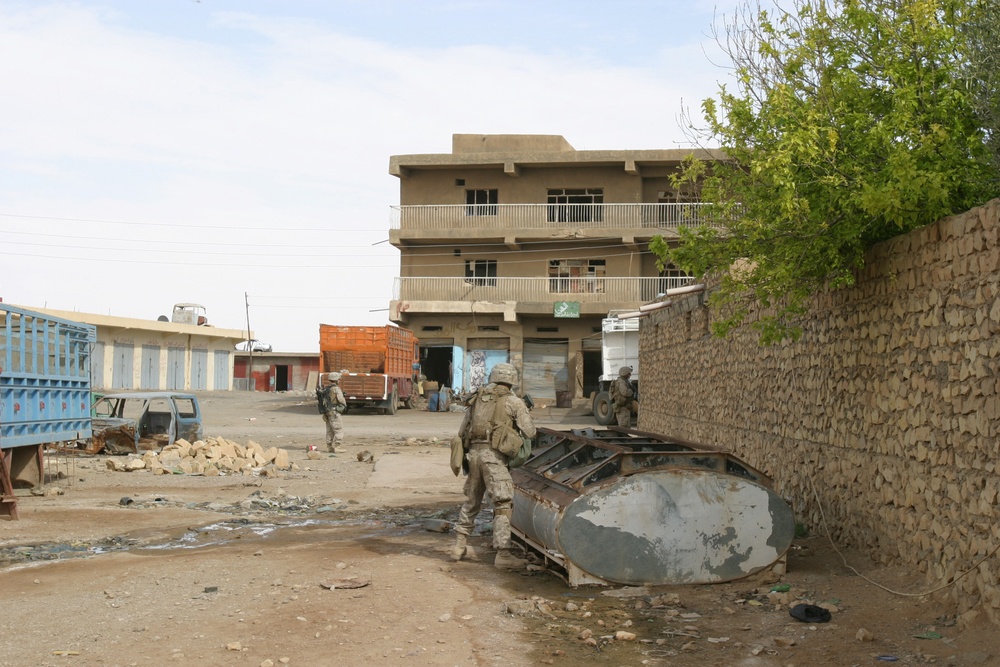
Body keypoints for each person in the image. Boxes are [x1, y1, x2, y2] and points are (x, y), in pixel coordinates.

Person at [450, 363, 536, 570]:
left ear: (493, 377)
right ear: (511, 380)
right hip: (495, 459)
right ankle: (503, 555)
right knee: (503, 505)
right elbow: (530, 432)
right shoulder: (513, 402)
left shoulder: (477, 399)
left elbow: (463, 430)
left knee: (472, 502)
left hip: (474, 455)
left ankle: (458, 547)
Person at [319, 372, 346, 452]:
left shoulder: (326, 389)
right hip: (334, 413)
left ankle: (329, 447)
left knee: (330, 430)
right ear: (336, 380)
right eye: (339, 379)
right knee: (338, 429)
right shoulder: (336, 389)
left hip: (327, 412)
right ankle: (337, 447)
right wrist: (343, 405)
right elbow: (341, 400)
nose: (339, 381)